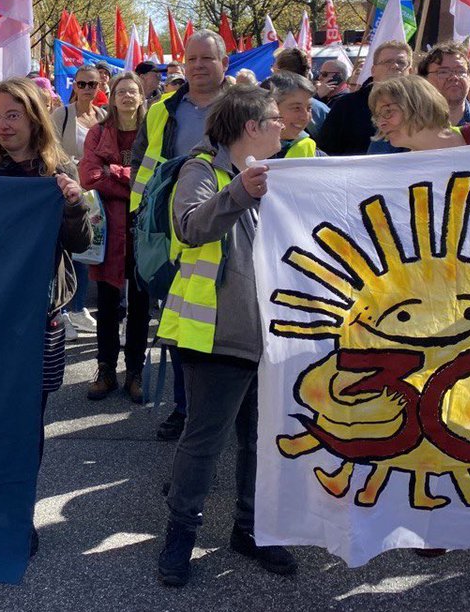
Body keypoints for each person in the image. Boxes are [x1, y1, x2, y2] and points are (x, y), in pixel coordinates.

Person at [156, 84, 295, 586]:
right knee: (203, 443)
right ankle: (180, 535)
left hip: (270, 336)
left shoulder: (280, 175)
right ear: (251, 127)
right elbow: (191, 227)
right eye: (275, 119)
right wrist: (240, 192)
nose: (284, 125)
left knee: (260, 441)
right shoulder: (201, 171)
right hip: (213, 335)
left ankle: (251, 530)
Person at [0, 77, 91, 556]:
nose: (3, 125)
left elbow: (80, 244)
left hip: (37, 318)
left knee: (25, 423)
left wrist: (74, 207)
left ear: (33, 118)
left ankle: (18, 513)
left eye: (13, 115)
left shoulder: (56, 170)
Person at [131, 30, 229, 442]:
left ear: (224, 62)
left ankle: (222, 412)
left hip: (230, 224)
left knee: (224, 323)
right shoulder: (162, 109)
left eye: (207, 58)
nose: (198, 66)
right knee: (180, 320)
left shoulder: (244, 105)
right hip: (175, 230)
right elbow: (144, 163)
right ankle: (183, 408)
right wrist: (142, 221)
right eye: (191, 59)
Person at [79, 72, 150, 402]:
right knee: (108, 306)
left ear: (140, 96)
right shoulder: (98, 132)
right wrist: (129, 181)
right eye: (121, 91)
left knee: (140, 305)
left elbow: (151, 178)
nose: (127, 96)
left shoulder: (153, 133)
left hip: (143, 228)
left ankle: (135, 370)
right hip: (108, 231)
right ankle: (105, 368)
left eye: (132, 91)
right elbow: (90, 176)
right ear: (113, 96)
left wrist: (115, 173)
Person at [316, 40, 411, 155]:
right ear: (373, 70)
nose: (395, 66)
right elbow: (325, 151)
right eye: (388, 62)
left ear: (410, 71)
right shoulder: (347, 106)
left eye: (401, 62)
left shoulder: (419, 107)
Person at [263, 72, 319, 157]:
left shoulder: (315, 155)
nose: (306, 117)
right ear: (268, 108)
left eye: (309, 108)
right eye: (296, 108)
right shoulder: (240, 151)